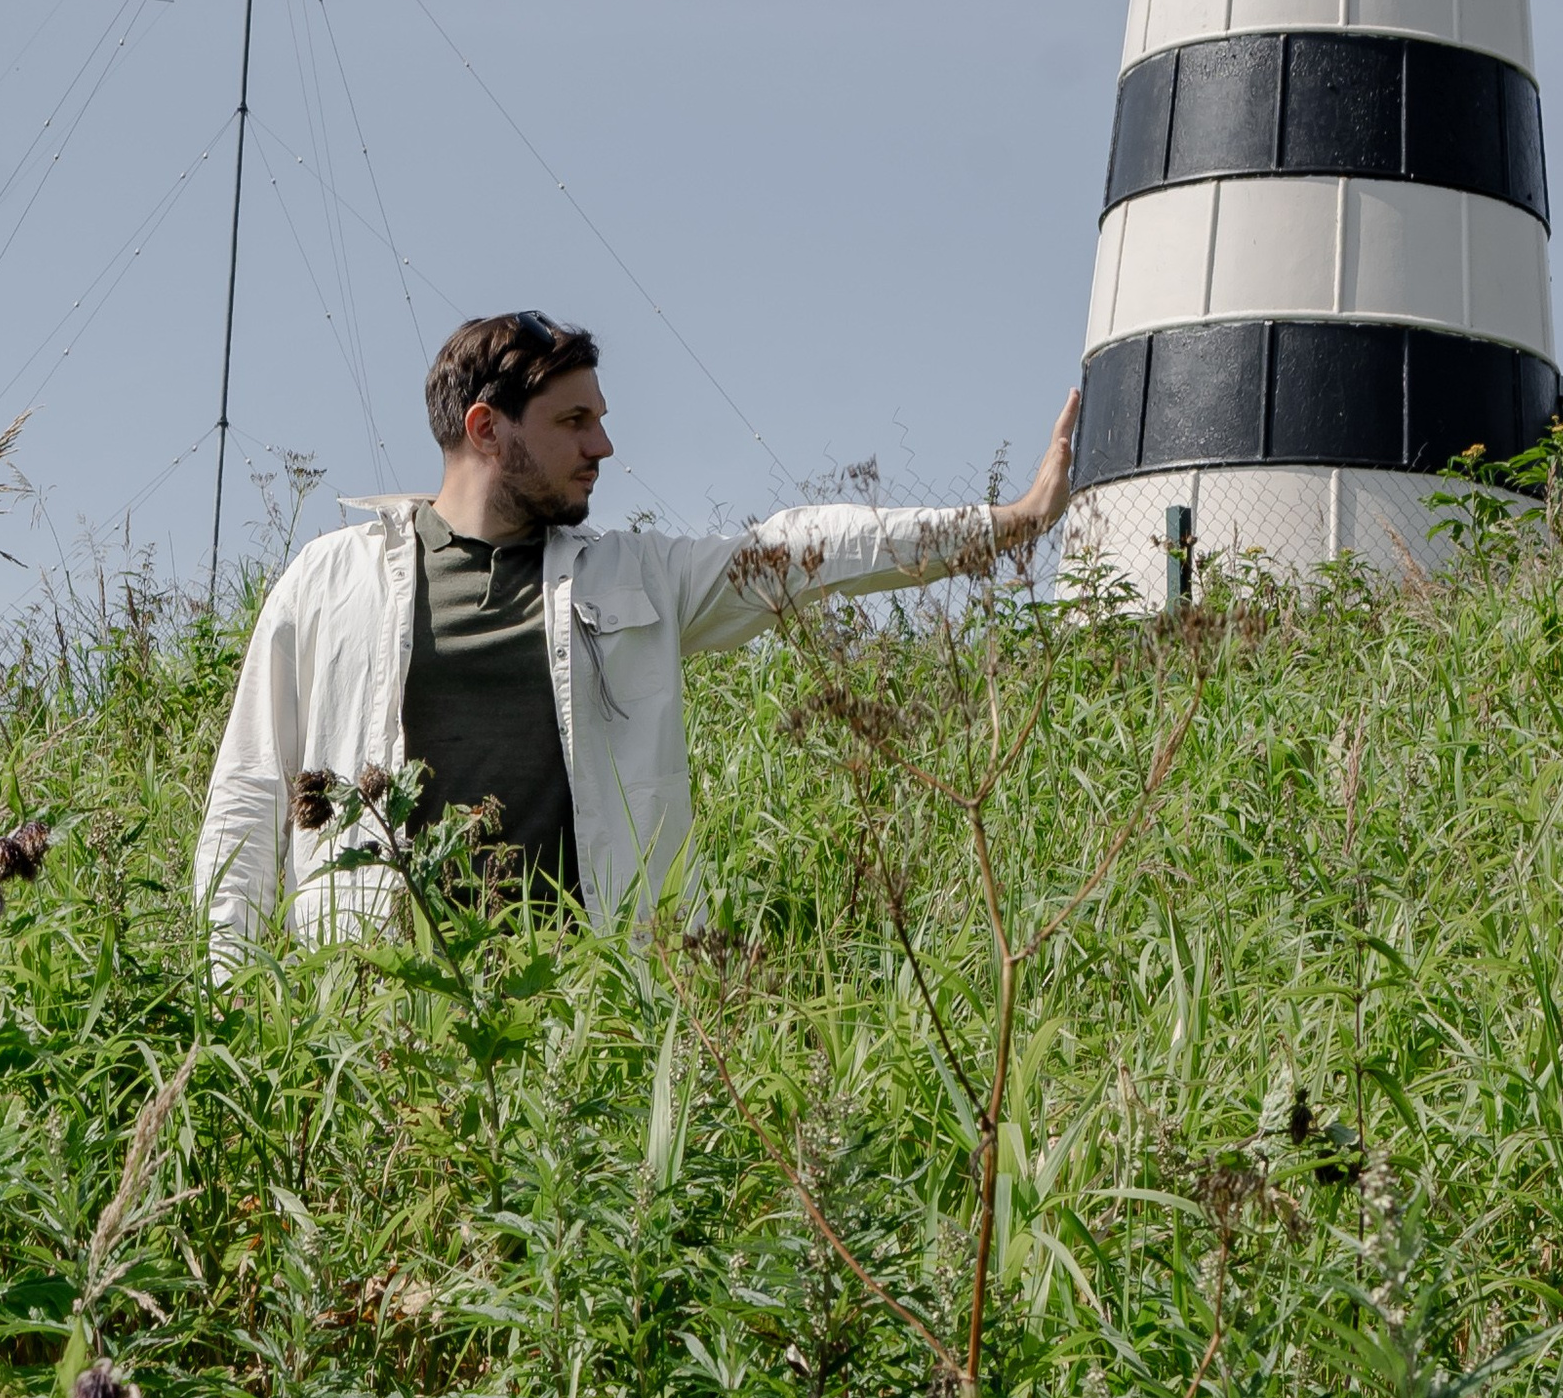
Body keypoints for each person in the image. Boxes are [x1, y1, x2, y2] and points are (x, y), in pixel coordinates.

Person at [193, 308, 1080, 970]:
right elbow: (249, 792)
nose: (605, 445)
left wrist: (1007, 525)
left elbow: (803, 549)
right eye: (573, 421)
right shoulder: (332, 581)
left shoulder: (633, 577)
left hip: (582, 1004)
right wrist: (229, 998)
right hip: (376, 1001)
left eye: (600, 418)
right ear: (486, 428)